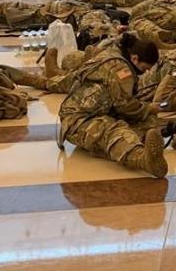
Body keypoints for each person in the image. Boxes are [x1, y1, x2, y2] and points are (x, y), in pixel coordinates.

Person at [57, 33, 167, 178]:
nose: (145, 72)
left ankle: (108, 148)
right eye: (144, 68)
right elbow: (126, 106)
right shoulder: (122, 70)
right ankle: (143, 159)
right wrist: (149, 107)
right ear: (134, 58)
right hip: (77, 121)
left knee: (149, 122)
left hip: (96, 112)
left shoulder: (112, 53)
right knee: (112, 130)